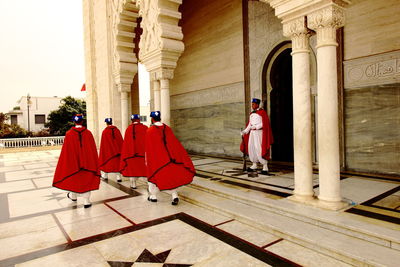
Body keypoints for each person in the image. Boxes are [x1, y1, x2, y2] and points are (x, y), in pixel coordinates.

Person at [145, 111, 195, 205]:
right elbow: (174, 144)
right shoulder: (167, 128)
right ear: (160, 118)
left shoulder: (150, 131)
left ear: (152, 119)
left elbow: (149, 148)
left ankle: (154, 196)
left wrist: (147, 161)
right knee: (171, 178)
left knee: (154, 178)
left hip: (157, 160)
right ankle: (174, 195)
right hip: (169, 159)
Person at [52, 114, 100, 208]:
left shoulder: (69, 134)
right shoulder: (88, 133)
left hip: (74, 164)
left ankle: (74, 196)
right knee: (86, 180)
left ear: (74, 122)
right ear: (82, 121)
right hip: (87, 164)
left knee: (74, 179)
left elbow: (66, 151)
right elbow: (93, 149)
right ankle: (86, 201)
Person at [240, 98, 274, 175]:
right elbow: (249, 125)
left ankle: (265, 166)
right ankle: (254, 164)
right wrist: (245, 131)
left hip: (259, 133)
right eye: (252, 104)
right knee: (252, 148)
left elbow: (264, 124)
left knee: (259, 148)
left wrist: (256, 127)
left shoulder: (262, 112)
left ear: (258, 104)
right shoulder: (251, 114)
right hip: (252, 133)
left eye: (254, 104)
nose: (252, 105)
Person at [119, 114, 148, 189]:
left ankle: (133, 184)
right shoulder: (145, 128)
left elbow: (126, 143)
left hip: (131, 155)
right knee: (144, 170)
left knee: (133, 170)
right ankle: (148, 185)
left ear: (132, 120)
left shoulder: (128, 129)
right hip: (142, 154)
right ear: (139, 119)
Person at [99, 118, 124, 182]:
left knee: (106, 163)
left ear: (106, 123)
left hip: (108, 152)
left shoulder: (105, 131)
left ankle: (105, 176)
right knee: (117, 164)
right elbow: (120, 141)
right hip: (117, 152)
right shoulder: (117, 130)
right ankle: (119, 177)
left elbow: (103, 143)